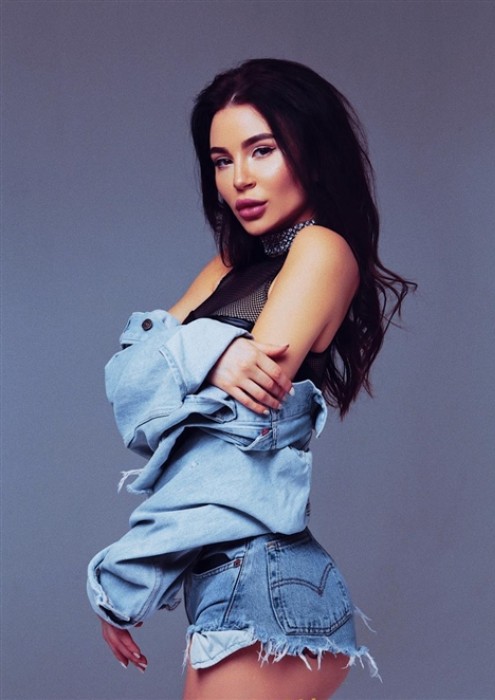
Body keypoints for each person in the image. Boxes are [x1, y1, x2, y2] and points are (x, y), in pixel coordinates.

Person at [90, 58, 415, 699]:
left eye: (262, 150)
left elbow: (230, 435)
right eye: (221, 160)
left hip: (261, 581)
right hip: (234, 580)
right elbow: (126, 376)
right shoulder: (231, 265)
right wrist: (214, 352)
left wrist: (125, 576)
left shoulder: (321, 249)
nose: (239, 178)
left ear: (312, 152)